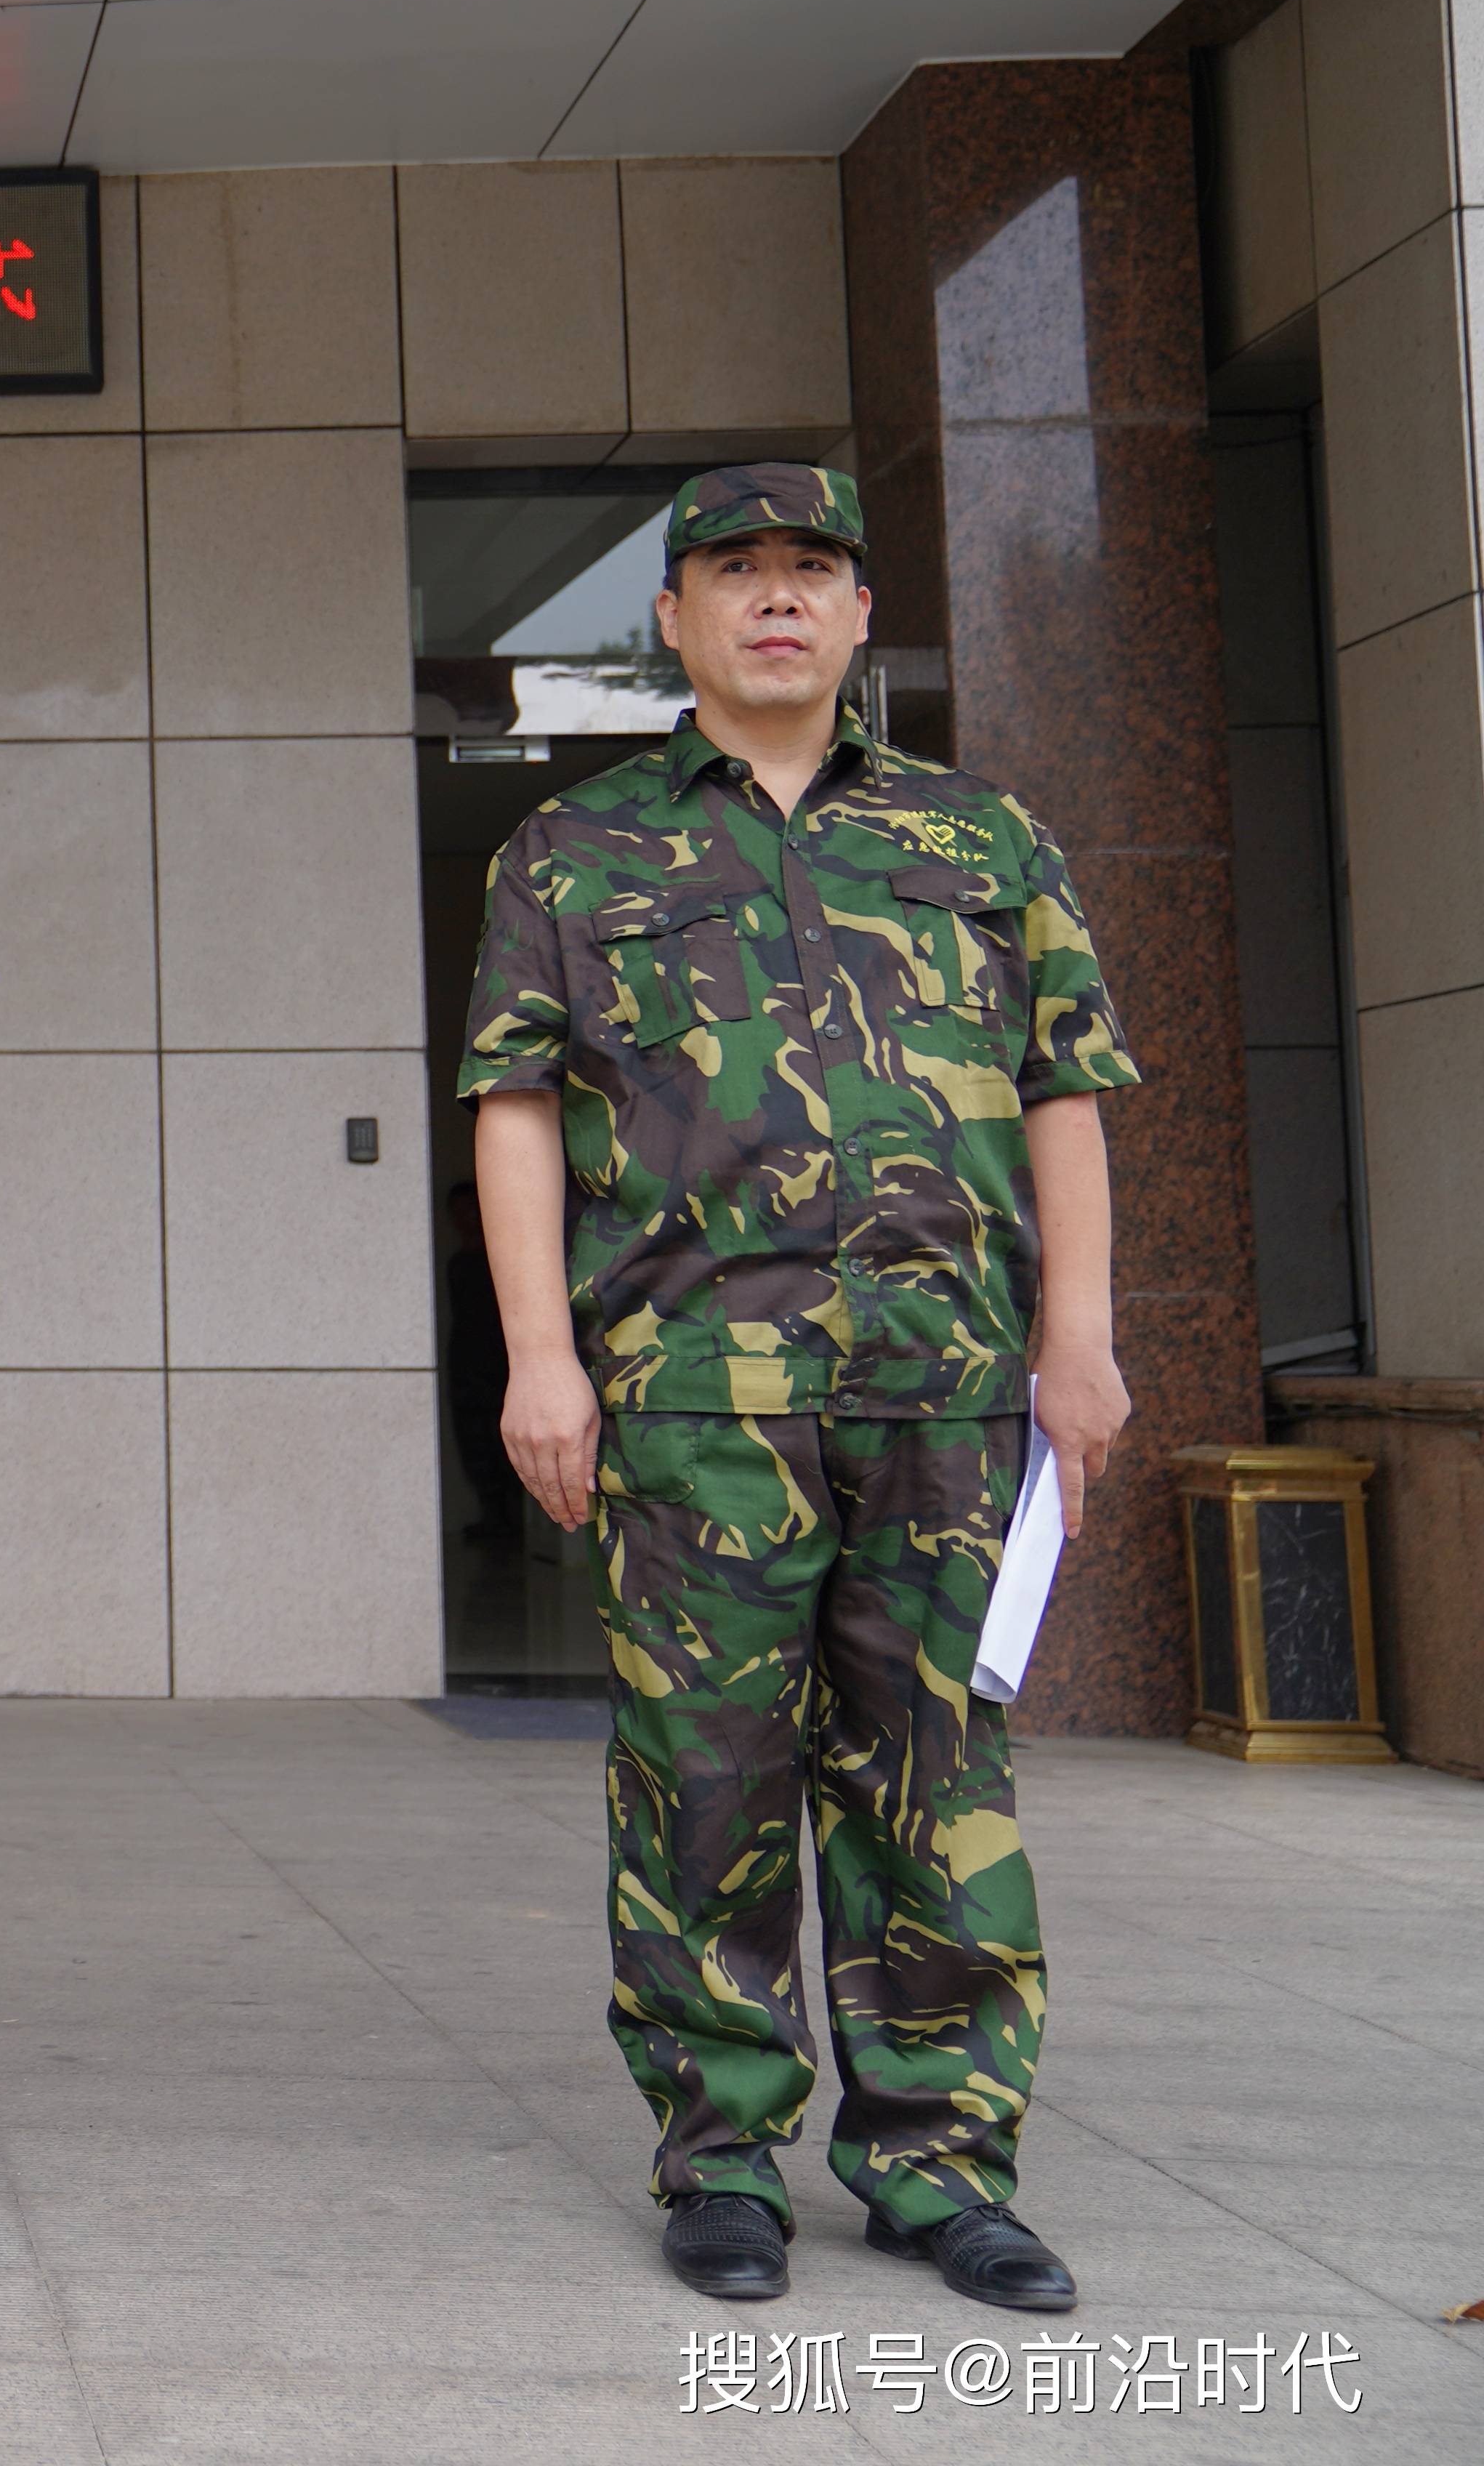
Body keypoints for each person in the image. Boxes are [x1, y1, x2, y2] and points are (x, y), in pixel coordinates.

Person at [456, 464, 1134, 2315]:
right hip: (695, 1396)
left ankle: (943, 2160)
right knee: (705, 1781)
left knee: (941, 1778)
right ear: (671, 621)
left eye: (811, 572)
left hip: (950, 1393)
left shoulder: (988, 840)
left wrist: (1080, 1336)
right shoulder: (573, 853)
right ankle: (723, 2153)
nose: (776, 600)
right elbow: (515, 1109)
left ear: (856, 616)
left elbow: (1068, 1087)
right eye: (734, 573)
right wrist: (540, 1358)